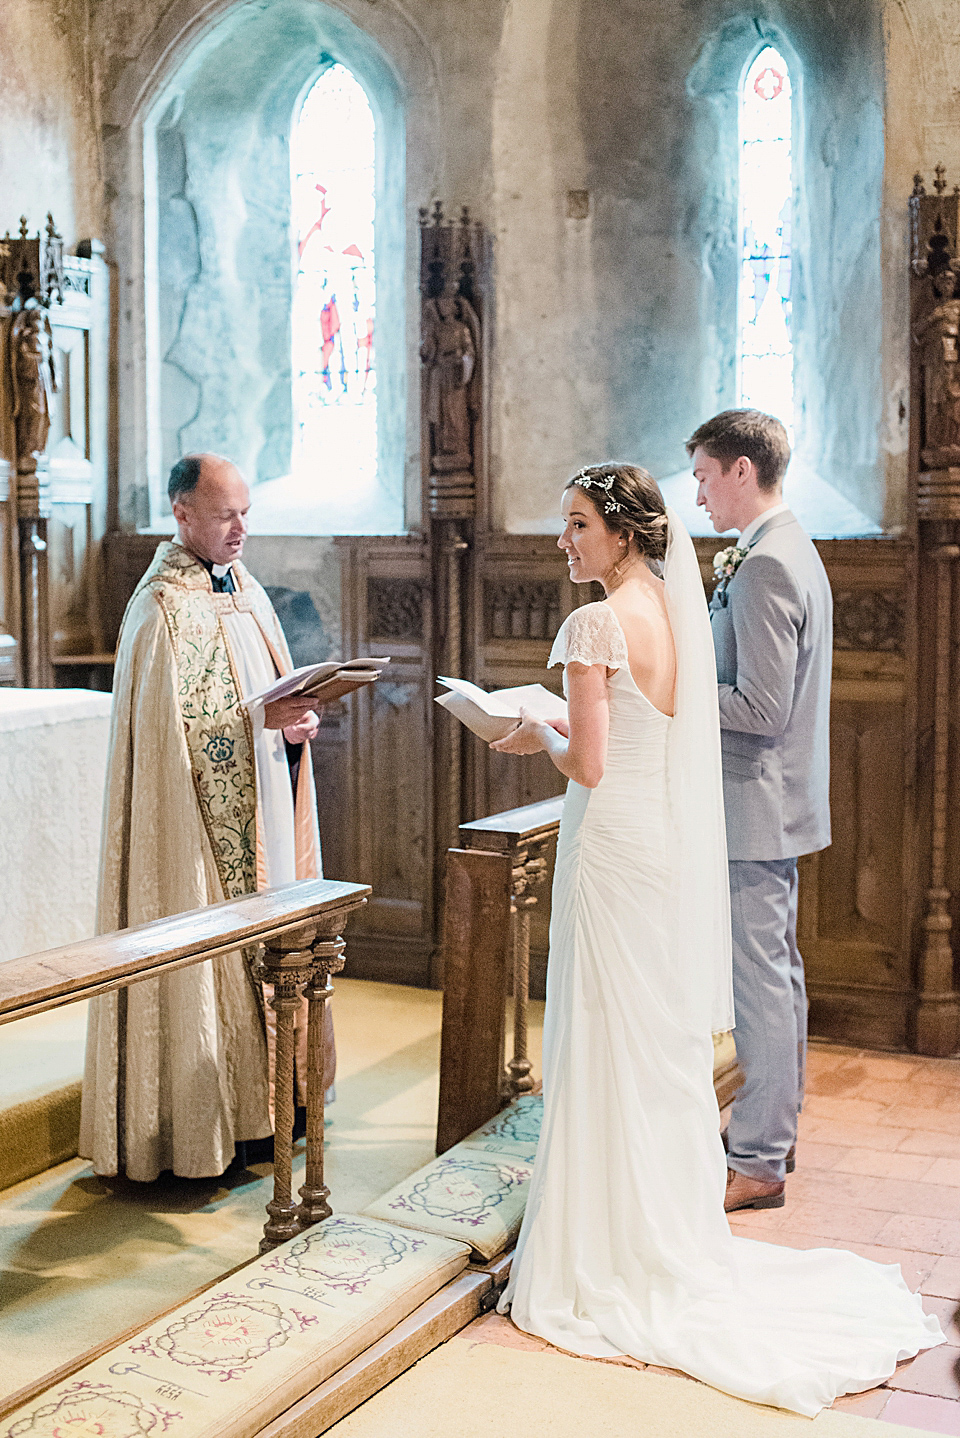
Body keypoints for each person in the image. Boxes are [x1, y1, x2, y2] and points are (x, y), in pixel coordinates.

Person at [492, 463, 941, 1414]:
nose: (562, 541)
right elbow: (656, 730)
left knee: (601, 1039)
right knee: (648, 1047)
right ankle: (662, 1236)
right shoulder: (672, 605)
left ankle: (599, 1251)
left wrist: (535, 733)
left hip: (611, 847)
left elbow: (594, 763)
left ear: (619, 533)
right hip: (659, 851)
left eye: (576, 524)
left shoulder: (594, 622)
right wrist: (572, 723)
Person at [79, 453, 332, 1182]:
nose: (241, 529)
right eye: (226, 515)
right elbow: (168, 743)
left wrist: (291, 732)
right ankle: (203, 1130)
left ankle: (272, 1112)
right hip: (192, 838)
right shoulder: (159, 608)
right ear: (182, 514)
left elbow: (259, 699)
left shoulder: (246, 590)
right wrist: (259, 722)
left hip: (264, 827)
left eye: (246, 513)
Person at [688, 410, 829, 1213]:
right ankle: (768, 1137)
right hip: (765, 804)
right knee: (776, 979)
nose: (701, 494)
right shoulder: (783, 547)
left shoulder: (769, 562)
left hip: (755, 805)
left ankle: (760, 1159)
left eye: (706, 476)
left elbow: (763, 706)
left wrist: (667, 697)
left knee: (762, 988)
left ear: (743, 470)